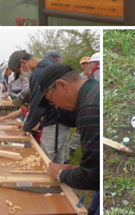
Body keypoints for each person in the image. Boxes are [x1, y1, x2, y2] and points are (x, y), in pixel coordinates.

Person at [37, 63, 100, 215]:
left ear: (62, 85)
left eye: (52, 100)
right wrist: (77, 170)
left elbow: (93, 177)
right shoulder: (95, 89)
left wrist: (61, 174)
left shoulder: (89, 110)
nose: (57, 107)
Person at [8, 50, 73, 164]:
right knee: (58, 160)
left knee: (45, 160)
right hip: (64, 119)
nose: (23, 73)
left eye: (20, 70)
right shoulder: (50, 64)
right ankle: (59, 180)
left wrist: (27, 126)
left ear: (23, 62)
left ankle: (48, 181)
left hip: (55, 121)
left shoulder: (38, 73)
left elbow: (37, 105)